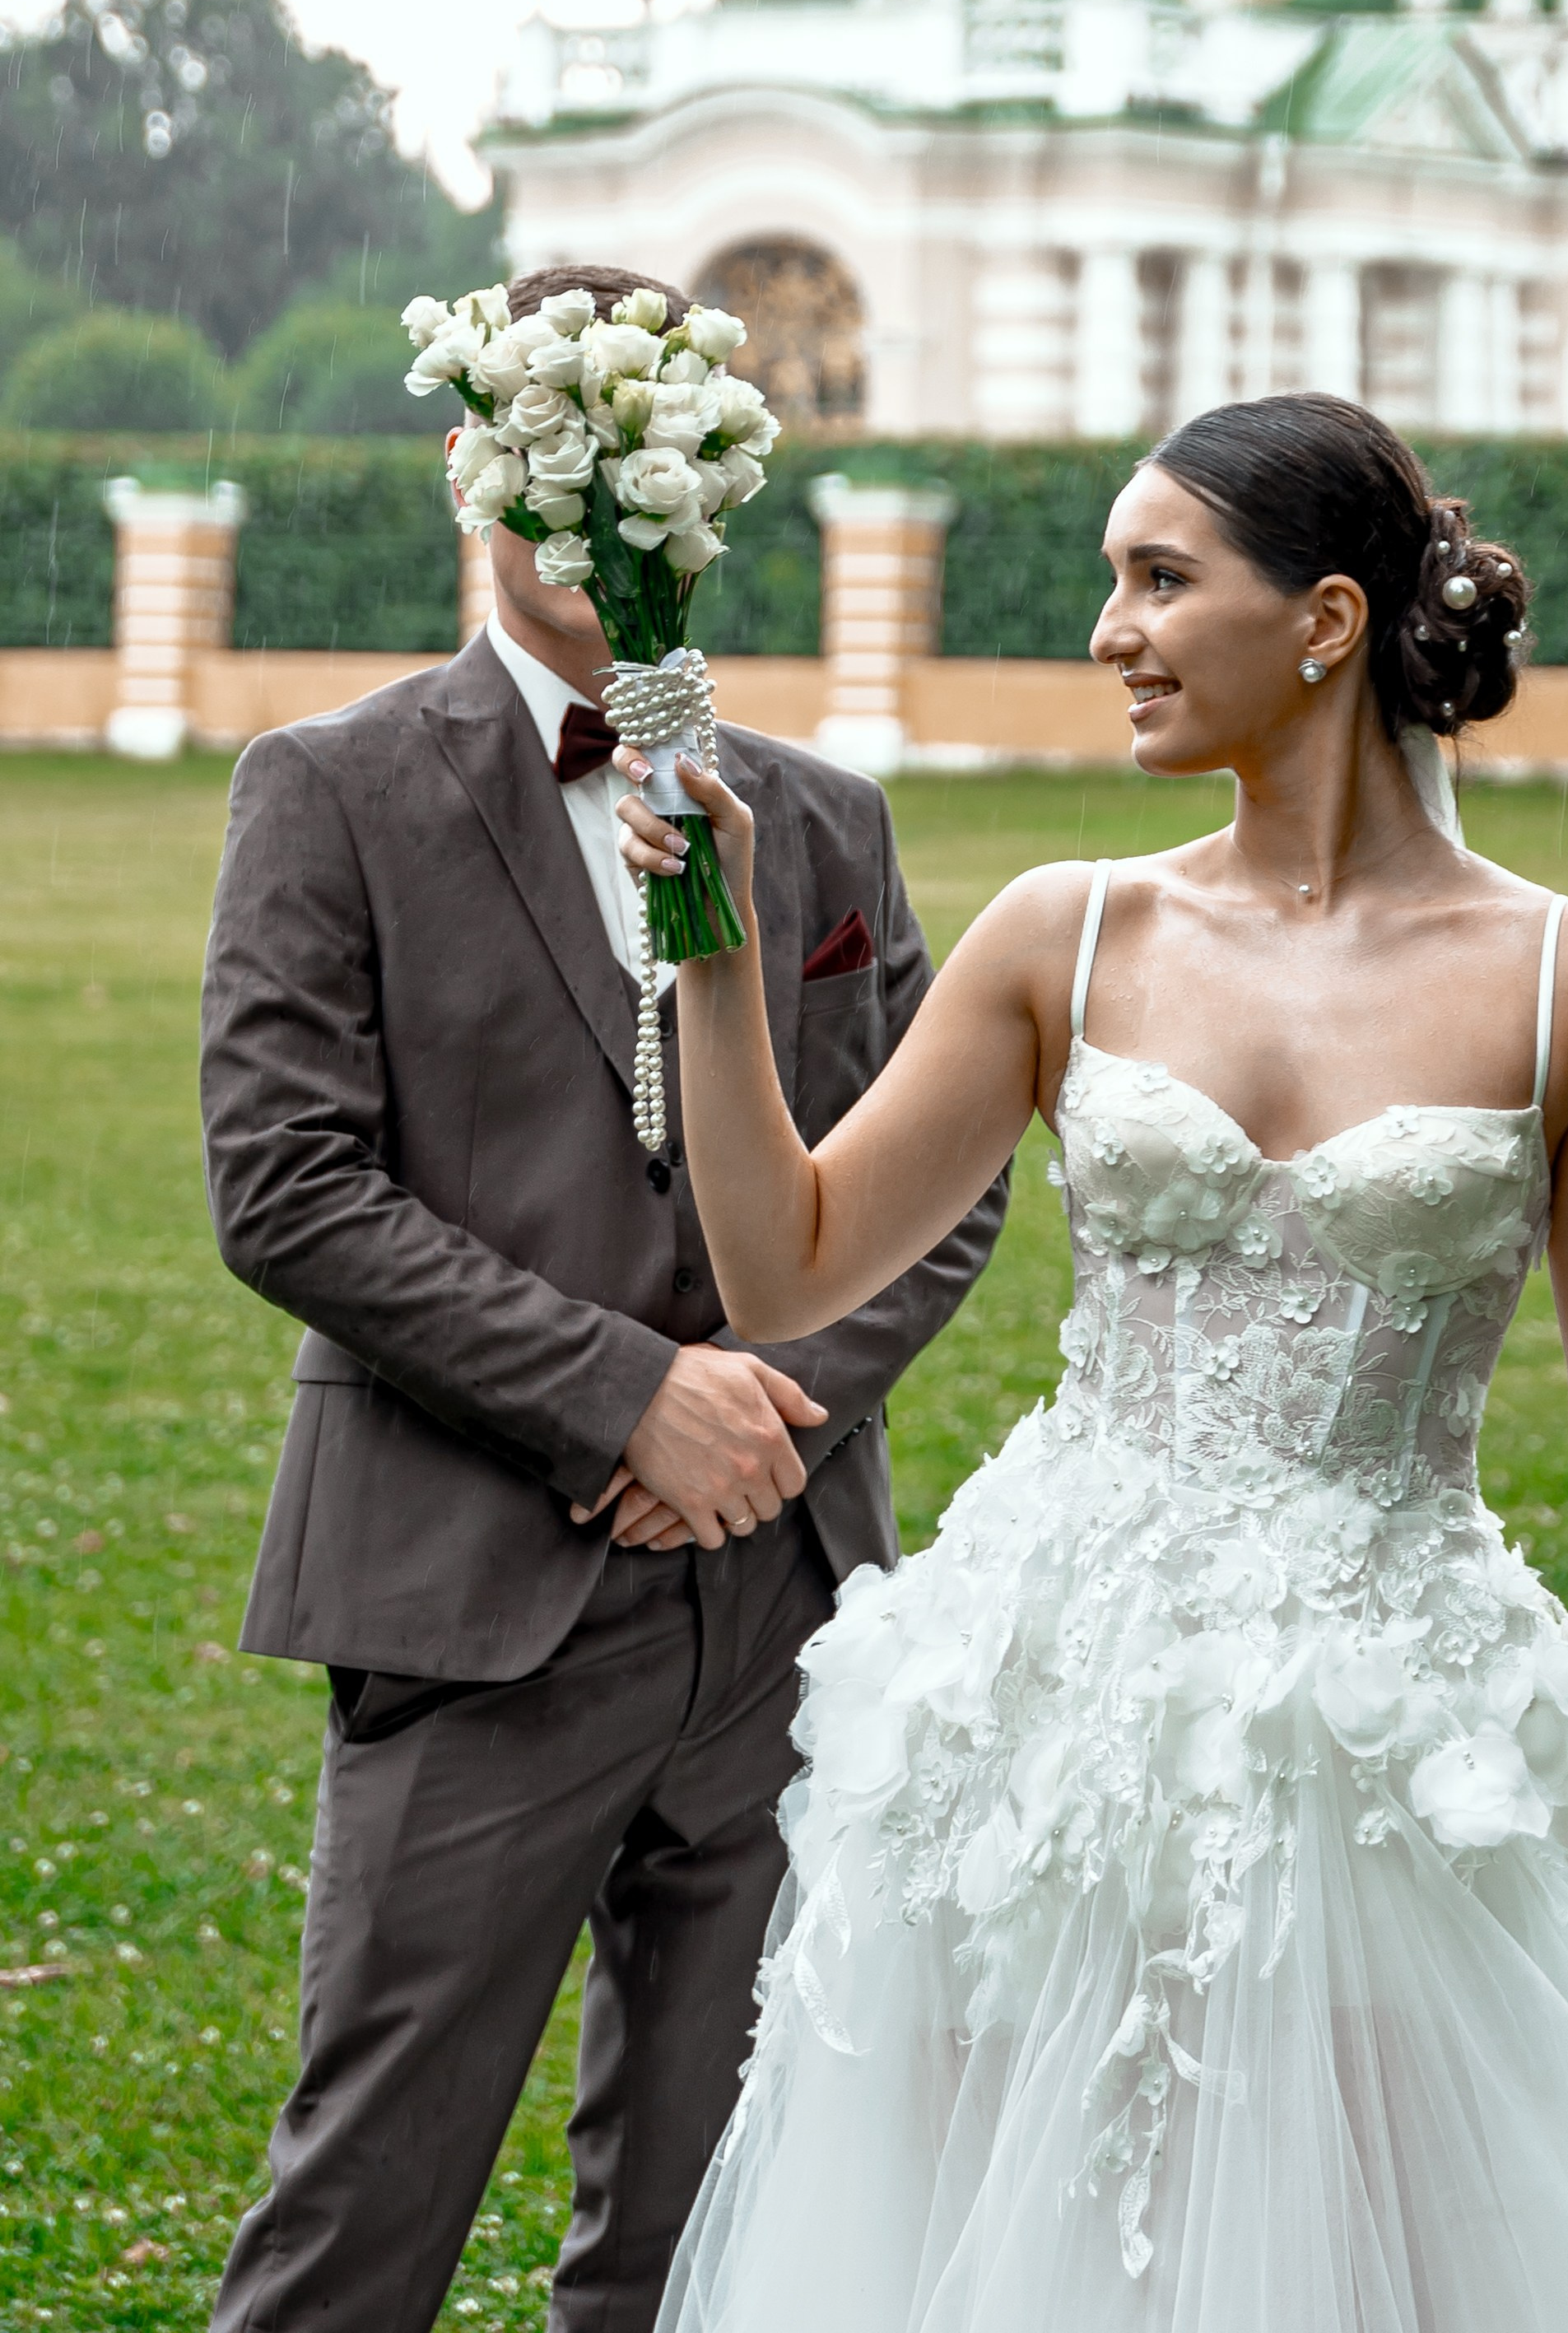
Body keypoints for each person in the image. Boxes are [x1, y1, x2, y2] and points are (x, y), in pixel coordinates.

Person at [613, 392, 1568, 2333]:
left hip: (1385, 1731)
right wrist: (710, 949)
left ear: (1322, 620)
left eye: (1159, 579)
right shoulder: (1065, 933)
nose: (1107, 632)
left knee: (1371, 2253)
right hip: (1047, 1710)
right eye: (1108, 583)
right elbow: (784, 1261)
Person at [197, 260, 1009, 2333]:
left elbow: (953, 1179)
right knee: (362, 2211)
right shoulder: (330, 786)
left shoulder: (825, 818)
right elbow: (286, 1187)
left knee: (713, 2232)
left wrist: (772, 1401)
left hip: (787, 1605)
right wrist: (627, 1395)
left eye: (646, 483)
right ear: (475, 466)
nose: (606, 532)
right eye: (562, 475)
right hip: (473, 1593)